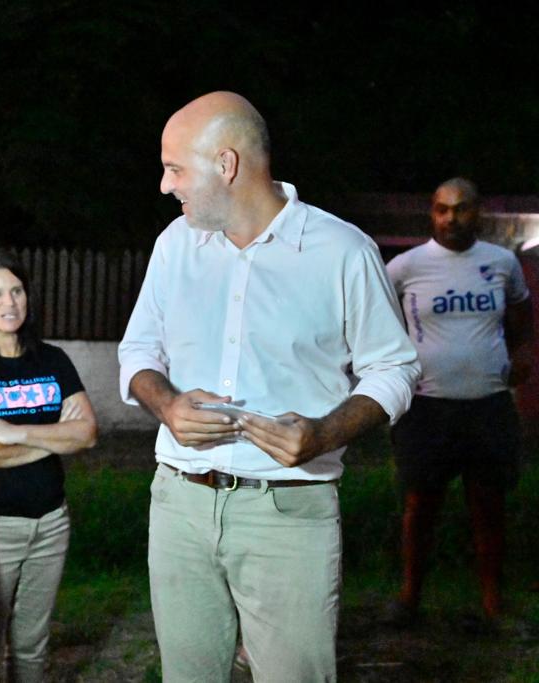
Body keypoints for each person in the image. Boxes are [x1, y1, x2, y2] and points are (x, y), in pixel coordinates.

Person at [117, 92, 421, 682]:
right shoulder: (174, 245)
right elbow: (138, 352)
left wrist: (326, 432)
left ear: (225, 165)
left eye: (174, 167)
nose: (163, 184)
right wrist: (167, 404)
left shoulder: (343, 252)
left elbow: (396, 368)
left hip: (289, 509)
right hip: (179, 502)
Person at [0, 250, 98, 683]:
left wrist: (16, 432)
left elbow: (87, 433)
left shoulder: (52, 360)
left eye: (17, 290)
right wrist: (52, 440)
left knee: (31, 649)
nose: (10, 302)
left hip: (51, 523)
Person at [385, 178, 533, 628]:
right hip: (426, 406)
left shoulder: (502, 262)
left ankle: (492, 602)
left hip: (487, 404)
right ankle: (409, 599)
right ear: (431, 213)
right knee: (419, 505)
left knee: (488, 505)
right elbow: (381, 327)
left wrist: (517, 358)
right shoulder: (405, 268)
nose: (452, 218)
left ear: (479, 212)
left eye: (462, 209)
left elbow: (521, 318)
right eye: (443, 210)